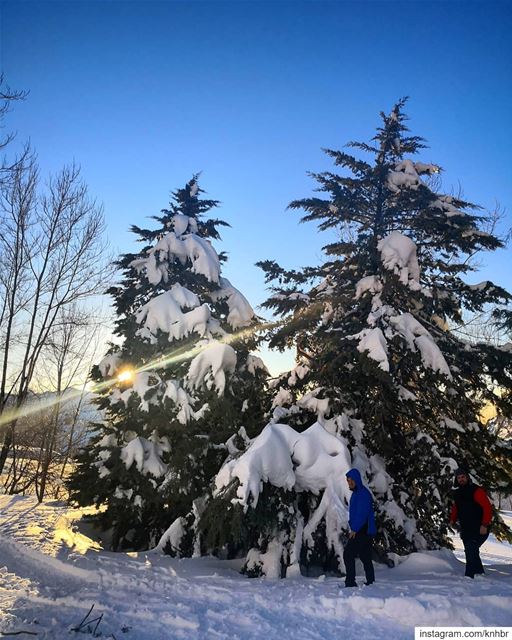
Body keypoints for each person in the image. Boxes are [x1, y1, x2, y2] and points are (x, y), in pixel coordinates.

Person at [450, 467, 493, 578]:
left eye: (463, 477)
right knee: (472, 551)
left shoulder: (476, 490)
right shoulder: (458, 493)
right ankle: (479, 574)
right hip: (466, 528)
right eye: (459, 478)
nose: (461, 479)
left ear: (467, 477)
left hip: (479, 527)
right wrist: (452, 520)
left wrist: (484, 525)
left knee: (470, 550)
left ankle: (469, 576)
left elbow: (487, 508)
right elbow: (456, 508)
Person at [343, 468, 376, 587]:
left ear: (357, 480)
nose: (350, 483)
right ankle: (371, 582)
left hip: (363, 529)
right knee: (365, 556)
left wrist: (354, 529)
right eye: (348, 481)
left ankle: (350, 582)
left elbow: (362, 513)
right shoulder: (356, 494)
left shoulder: (363, 494)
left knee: (348, 554)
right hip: (363, 529)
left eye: (352, 480)